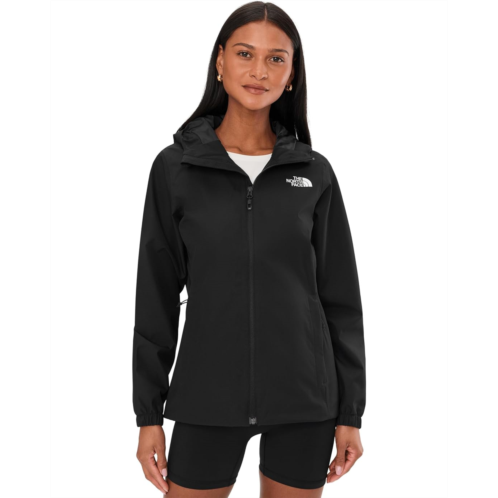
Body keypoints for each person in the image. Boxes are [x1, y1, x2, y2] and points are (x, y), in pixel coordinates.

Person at [133, 2, 366, 496]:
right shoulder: (176, 168)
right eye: (245, 54)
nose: (259, 71)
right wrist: (148, 414)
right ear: (220, 60)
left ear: (292, 74)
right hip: (207, 396)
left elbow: (340, 300)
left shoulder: (314, 172)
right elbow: (155, 296)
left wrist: (350, 413)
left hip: (305, 401)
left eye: (276, 59)